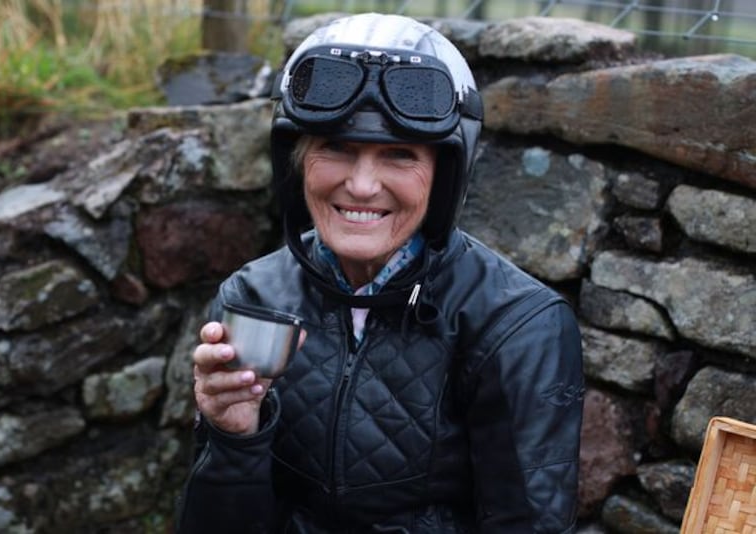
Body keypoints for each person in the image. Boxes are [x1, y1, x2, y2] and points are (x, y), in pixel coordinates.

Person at [176, 12, 584, 534]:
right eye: (337, 147)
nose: (363, 185)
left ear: (444, 175)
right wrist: (233, 436)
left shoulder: (518, 327)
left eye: (398, 154)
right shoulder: (255, 295)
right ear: (296, 161)